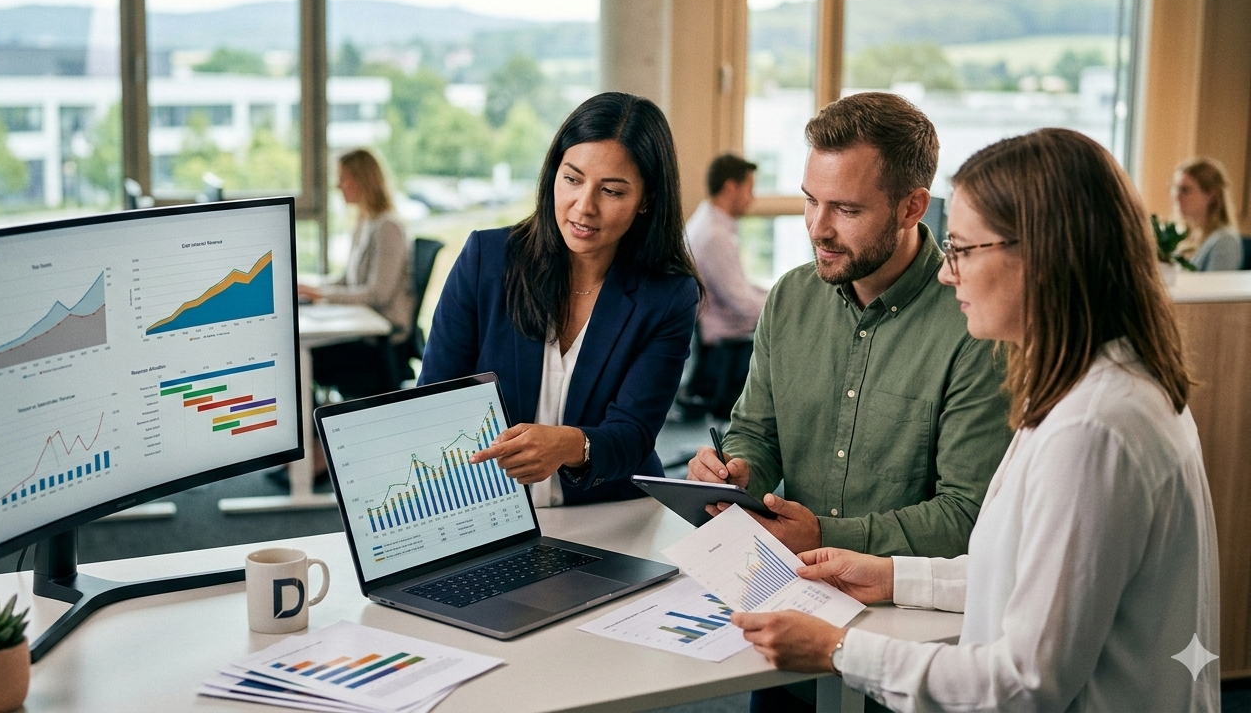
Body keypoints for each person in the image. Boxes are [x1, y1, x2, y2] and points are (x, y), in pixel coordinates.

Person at [734, 127, 1219, 712]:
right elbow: (1024, 579)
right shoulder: (1095, 389)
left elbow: (1024, 681)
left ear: (1043, 256)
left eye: (962, 250)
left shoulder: (1092, 429)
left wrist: (839, 650)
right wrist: (893, 576)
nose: (946, 272)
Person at [687, 92, 1011, 559]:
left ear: (912, 208)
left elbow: (967, 514)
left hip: (906, 603)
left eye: (846, 209)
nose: (817, 228)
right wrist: (737, 472)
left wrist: (825, 537)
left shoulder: (973, 327)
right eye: (810, 200)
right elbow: (756, 434)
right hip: (787, 577)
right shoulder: (790, 298)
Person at [419, 92, 702, 506]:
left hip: (610, 511)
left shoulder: (667, 295)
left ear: (646, 201)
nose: (583, 207)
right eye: (572, 179)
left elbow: (634, 434)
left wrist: (573, 445)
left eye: (612, 191)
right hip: (489, 510)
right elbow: (434, 398)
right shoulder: (488, 259)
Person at [298, 148, 413, 399]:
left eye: (343, 178)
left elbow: (378, 294)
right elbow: (348, 279)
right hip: (365, 330)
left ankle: (312, 432)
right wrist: (313, 287)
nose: (338, 186)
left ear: (363, 180)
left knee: (305, 358)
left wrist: (322, 294)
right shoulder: (365, 221)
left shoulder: (388, 227)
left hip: (381, 342)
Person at [680, 153, 769, 420]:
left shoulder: (706, 222)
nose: (752, 198)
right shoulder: (714, 235)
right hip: (722, 352)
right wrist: (786, 309)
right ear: (731, 187)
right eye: (749, 189)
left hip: (715, 344)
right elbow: (742, 304)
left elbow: (740, 290)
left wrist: (774, 295)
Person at [1172, 156, 1243, 271]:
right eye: (1176, 188)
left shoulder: (1225, 241)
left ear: (1211, 195)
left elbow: (1217, 287)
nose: (1176, 196)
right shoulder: (1182, 235)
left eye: (1185, 190)